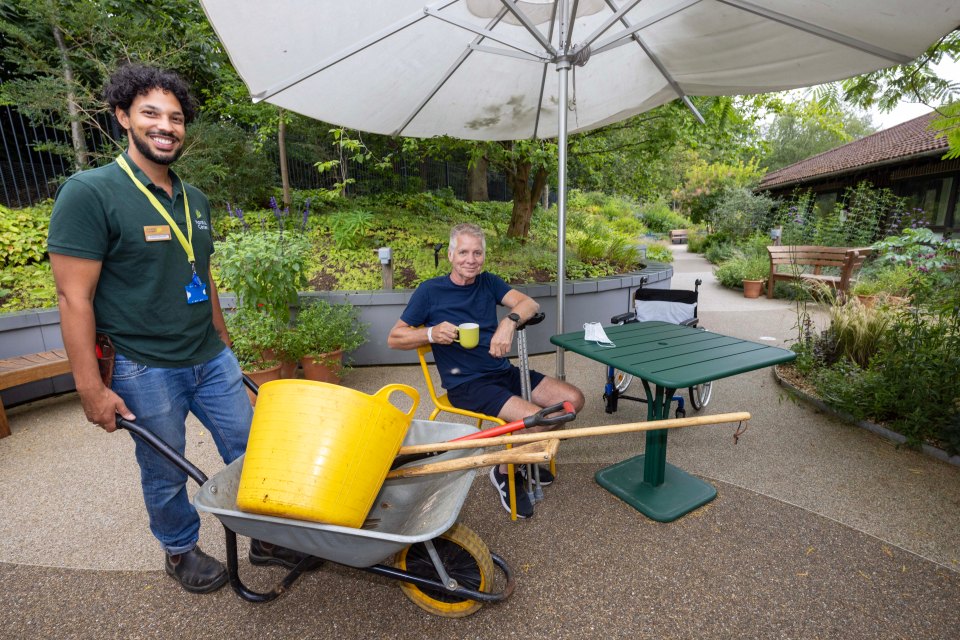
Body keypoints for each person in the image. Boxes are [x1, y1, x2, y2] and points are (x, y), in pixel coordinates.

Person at [47, 64, 310, 594]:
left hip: (209, 355)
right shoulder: (90, 192)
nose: (165, 126)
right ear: (123, 117)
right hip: (144, 367)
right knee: (165, 469)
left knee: (251, 449)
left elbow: (202, 273)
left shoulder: (195, 199)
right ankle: (179, 549)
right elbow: (74, 296)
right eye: (150, 114)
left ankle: (260, 536)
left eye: (175, 117)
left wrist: (224, 339)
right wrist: (90, 388)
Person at [387, 223, 585, 518]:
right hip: (467, 384)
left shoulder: (489, 283)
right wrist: (429, 334)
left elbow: (528, 303)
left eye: (477, 252)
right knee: (540, 421)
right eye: (464, 252)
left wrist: (509, 322)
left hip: (501, 371)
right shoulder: (430, 291)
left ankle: (519, 457)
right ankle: (505, 471)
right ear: (452, 255)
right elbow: (394, 338)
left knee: (572, 400)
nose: (471, 259)